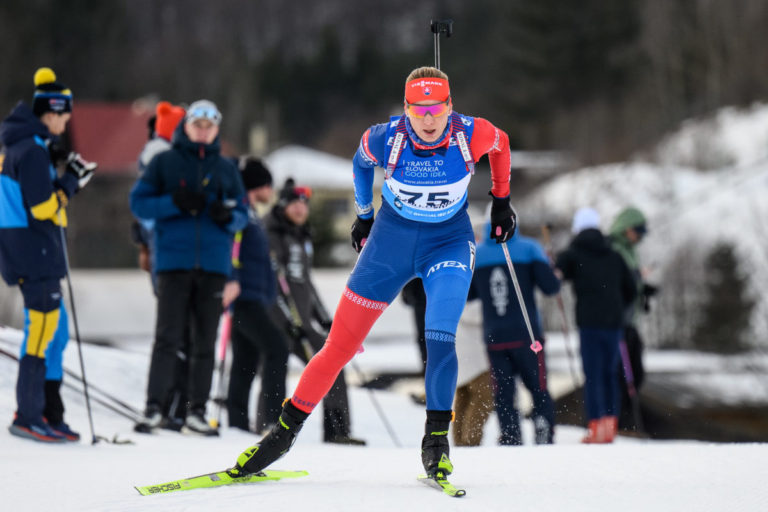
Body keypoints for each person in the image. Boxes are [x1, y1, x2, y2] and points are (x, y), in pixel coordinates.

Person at [230, 66, 515, 480]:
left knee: (439, 338)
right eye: (419, 110)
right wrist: (363, 215)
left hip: (448, 244)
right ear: (406, 109)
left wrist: (501, 200)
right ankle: (282, 434)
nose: (429, 119)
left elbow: (502, 144)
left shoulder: (471, 133)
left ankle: (436, 442)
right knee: (338, 347)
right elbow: (360, 163)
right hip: (389, 245)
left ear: (450, 107)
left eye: (436, 109)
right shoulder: (386, 137)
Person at [130, 99, 248, 436]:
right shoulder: (165, 162)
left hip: (212, 264)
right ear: (187, 126)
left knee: (204, 341)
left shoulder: (225, 168)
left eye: (209, 126)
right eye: (197, 125)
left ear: (216, 130)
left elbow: (242, 211)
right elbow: (138, 202)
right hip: (174, 262)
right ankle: (154, 407)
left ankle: (198, 410)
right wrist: (172, 203)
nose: (203, 131)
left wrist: (230, 218)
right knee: (167, 338)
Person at [0, 67, 95, 442]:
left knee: (56, 332)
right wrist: (71, 182)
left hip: (32, 251)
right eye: (64, 113)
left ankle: (50, 413)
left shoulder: (24, 145)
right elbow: (41, 207)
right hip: (34, 253)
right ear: (50, 112)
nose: (67, 120)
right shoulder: (30, 149)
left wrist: (63, 177)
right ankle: (28, 414)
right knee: (40, 333)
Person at [266, 179, 365, 445]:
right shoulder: (274, 234)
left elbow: (305, 283)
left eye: (304, 205)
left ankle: (337, 430)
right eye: (294, 204)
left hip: (303, 322)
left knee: (333, 363)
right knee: (280, 368)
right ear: (284, 206)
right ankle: (267, 427)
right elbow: (276, 282)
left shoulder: (301, 236)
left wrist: (322, 315)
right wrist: (290, 320)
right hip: (280, 320)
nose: (300, 209)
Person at [468, 211, 561, 445]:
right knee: (538, 387)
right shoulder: (530, 249)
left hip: (495, 336)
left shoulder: (477, 255)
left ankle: (510, 436)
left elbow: (469, 295)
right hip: (527, 333)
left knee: (504, 393)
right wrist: (550, 268)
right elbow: (550, 287)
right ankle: (543, 428)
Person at [555, 207, 636, 444]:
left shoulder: (573, 254)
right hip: (614, 324)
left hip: (589, 323)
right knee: (611, 373)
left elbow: (557, 277)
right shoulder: (614, 255)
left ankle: (595, 425)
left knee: (593, 375)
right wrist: (617, 306)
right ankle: (610, 425)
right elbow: (631, 290)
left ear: (577, 228)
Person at [221, 158, 290, 433]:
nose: (271, 192)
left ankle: (237, 423)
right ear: (258, 185)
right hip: (244, 297)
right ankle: (274, 421)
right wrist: (231, 280)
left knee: (245, 360)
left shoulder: (250, 213)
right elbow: (230, 249)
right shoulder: (241, 213)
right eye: (268, 185)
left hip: (256, 297)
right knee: (277, 348)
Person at [609, 206, 656, 432]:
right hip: (618, 322)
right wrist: (638, 278)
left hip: (631, 321)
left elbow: (630, 282)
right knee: (623, 374)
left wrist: (643, 290)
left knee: (636, 373)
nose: (640, 236)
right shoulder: (615, 249)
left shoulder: (631, 251)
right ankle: (621, 422)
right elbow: (618, 280)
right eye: (638, 230)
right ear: (626, 229)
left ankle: (626, 421)